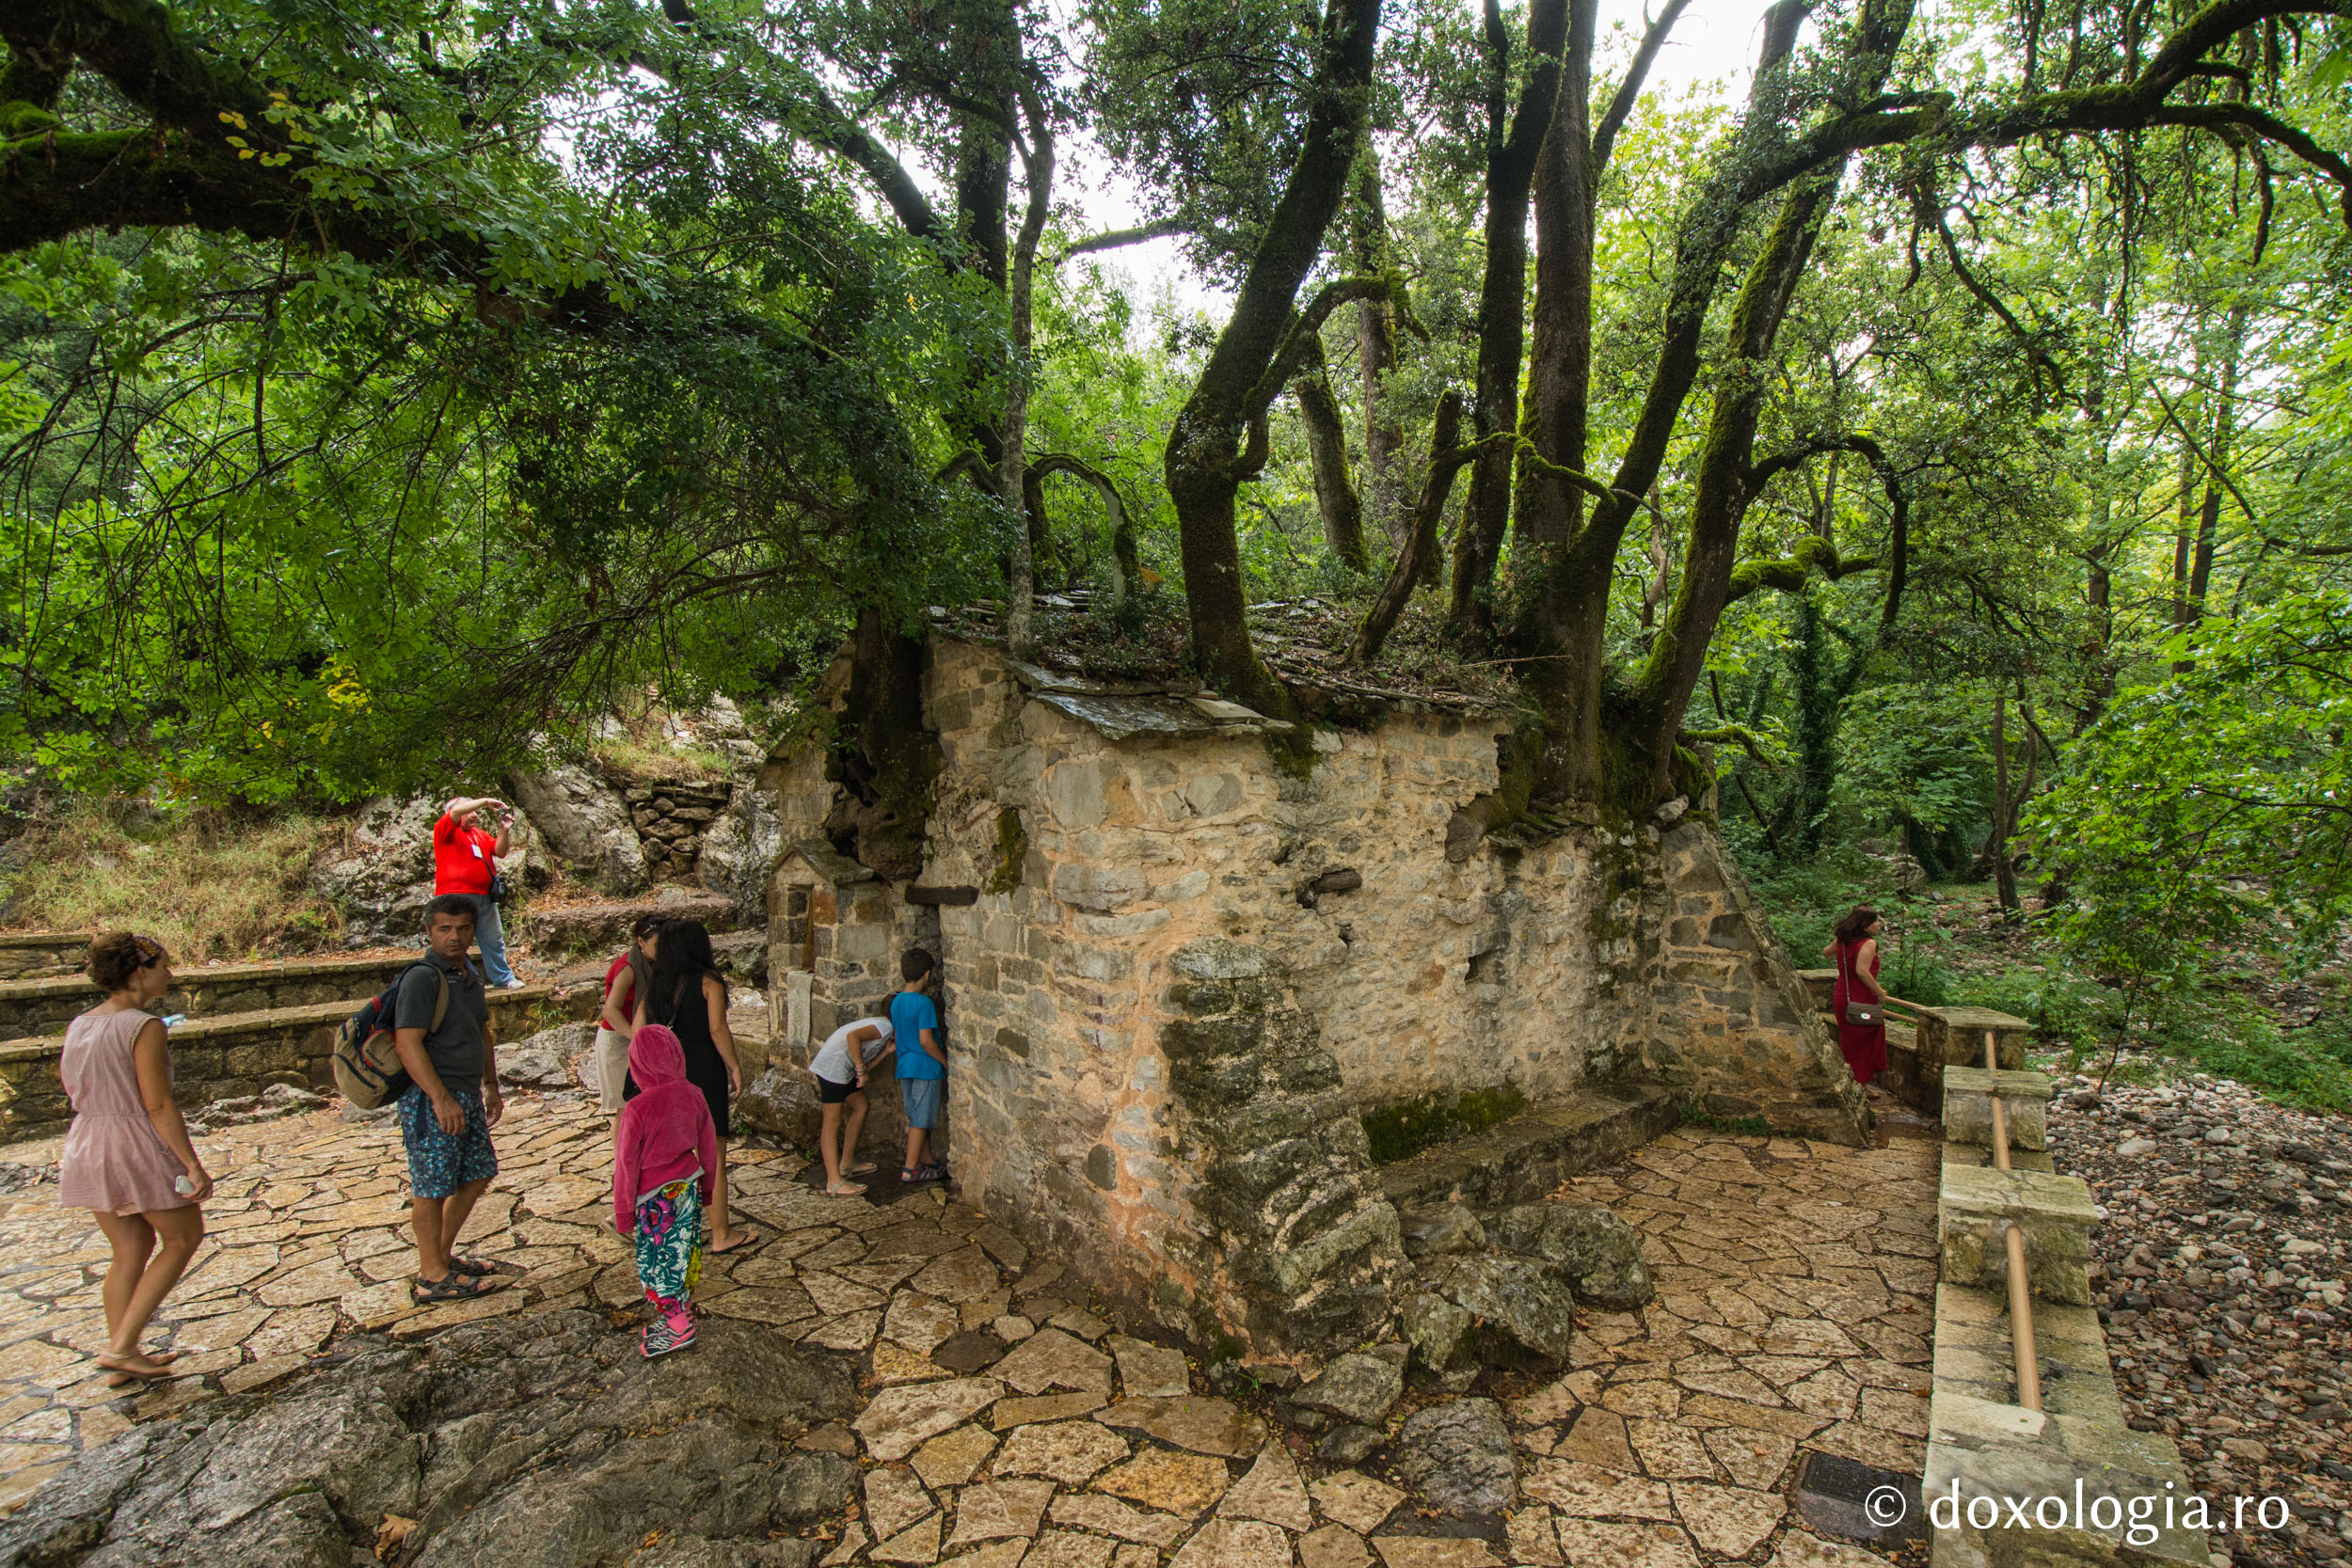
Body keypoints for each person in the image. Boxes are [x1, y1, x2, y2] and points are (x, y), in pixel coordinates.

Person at [58, 933, 214, 1383]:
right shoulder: (144, 1026)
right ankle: (123, 1347)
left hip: (88, 1140)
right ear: (139, 972)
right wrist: (191, 1163)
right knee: (183, 1238)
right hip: (134, 1142)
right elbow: (158, 1104)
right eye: (163, 965)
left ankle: (121, 1354)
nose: (170, 973)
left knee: (129, 1250)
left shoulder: (80, 1024)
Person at [393, 895, 506, 1302]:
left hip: (467, 1090)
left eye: (461, 928)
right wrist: (440, 1098)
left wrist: (491, 1084)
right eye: (444, 929)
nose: (454, 937)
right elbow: (408, 1043)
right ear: (429, 931)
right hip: (432, 1097)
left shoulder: (468, 974)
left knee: (477, 1173)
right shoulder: (422, 978)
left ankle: (439, 1256)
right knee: (432, 1186)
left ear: (474, 930)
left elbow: (482, 1031)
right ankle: (432, 1276)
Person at [629, 919, 755, 1252]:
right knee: (713, 1155)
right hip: (701, 1071)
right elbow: (717, 1029)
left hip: (663, 1078)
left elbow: (639, 1032)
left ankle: (676, 1230)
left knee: (671, 1157)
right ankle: (721, 1234)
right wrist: (735, 1066)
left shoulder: (654, 985)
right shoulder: (709, 982)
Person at [612, 1022, 719, 1357]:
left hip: (654, 1200)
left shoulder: (638, 1108)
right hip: (687, 1189)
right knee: (682, 1254)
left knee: (657, 1261)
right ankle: (678, 1312)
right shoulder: (694, 1094)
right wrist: (709, 1192)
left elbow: (626, 1165)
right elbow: (710, 1147)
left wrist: (623, 1213)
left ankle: (678, 1325)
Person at [432, 796, 524, 990]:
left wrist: (504, 830)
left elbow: (500, 851)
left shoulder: (478, 834)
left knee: (493, 938)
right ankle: (448, 980)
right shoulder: (446, 830)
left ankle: (503, 978)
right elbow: (455, 812)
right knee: (454, 939)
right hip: (454, 897)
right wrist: (484, 801)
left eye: (475, 811)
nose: (474, 814)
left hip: (483, 896)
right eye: (469, 811)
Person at [808, 1013, 895, 1196]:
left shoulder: (887, 1034)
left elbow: (864, 1069)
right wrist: (860, 1070)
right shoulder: (884, 1026)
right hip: (833, 1068)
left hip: (844, 1069)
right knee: (832, 1122)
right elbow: (852, 1037)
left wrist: (886, 1052)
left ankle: (847, 1165)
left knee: (861, 1106)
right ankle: (834, 1182)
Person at [888, 950, 946, 1185]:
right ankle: (910, 1169)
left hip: (905, 1066)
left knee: (915, 1116)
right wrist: (943, 1060)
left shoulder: (896, 1001)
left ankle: (928, 1161)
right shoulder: (924, 1004)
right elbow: (926, 1040)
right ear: (927, 974)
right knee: (922, 1119)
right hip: (925, 1066)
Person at [594, 915, 662, 1116]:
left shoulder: (655, 964)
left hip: (641, 1038)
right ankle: (621, 1148)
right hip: (618, 1041)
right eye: (658, 945)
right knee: (625, 1109)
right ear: (641, 942)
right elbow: (609, 1010)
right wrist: (636, 1036)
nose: (663, 950)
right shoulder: (627, 968)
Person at [1823, 905, 1889, 1085]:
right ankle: (1859, 1083)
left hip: (1843, 995)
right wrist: (1879, 991)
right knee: (1865, 1043)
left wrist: (1841, 943)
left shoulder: (1844, 940)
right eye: (1875, 921)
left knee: (1850, 1042)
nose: (1878, 925)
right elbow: (1862, 971)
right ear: (1865, 924)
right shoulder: (1869, 944)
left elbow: (1826, 952)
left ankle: (1852, 1081)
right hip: (1862, 998)